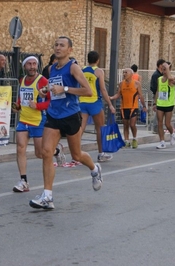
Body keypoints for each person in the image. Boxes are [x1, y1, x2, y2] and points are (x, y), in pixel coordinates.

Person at [29, 36, 102, 210]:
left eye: (62, 45)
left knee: (76, 155)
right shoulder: (51, 68)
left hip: (71, 115)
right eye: (56, 44)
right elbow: (54, 88)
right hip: (54, 115)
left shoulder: (74, 67)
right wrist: (45, 90)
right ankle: (47, 196)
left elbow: (88, 91)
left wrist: (66, 89)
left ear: (69, 50)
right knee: (47, 152)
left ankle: (94, 169)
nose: (58, 47)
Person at [12, 56, 51, 192]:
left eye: (34, 64)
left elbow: (50, 101)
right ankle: (23, 181)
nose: (32, 66)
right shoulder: (22, 80)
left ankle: (56, 150)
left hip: (38, 121)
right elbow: (21, 98)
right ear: (25, 66)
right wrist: (17, 106)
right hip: (23, 120)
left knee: (40, 153)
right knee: (20, 148)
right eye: (29, 64)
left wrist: (38, 106)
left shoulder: (42, 81)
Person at [80, 50, 116, 162]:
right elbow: (103, 89)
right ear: (98, 60)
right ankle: (101, 154)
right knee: (100, 129)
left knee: (80, 129)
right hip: (94, 102)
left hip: (82, 101)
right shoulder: (99, 71)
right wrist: (110, 104)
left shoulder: (82, 71)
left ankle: (76, 154)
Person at [110, 68, 147, 148]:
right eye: (123, 72)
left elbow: (141, 95)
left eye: (126, 72)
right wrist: (111, 98)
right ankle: (126, 141)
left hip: (133, 107)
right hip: (123, 107)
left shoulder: (136, 83)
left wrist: (144, 106)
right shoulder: (121, 84)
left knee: (132, 124)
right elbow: (118, 94)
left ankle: (134, 139)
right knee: (125, 125)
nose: (124, 74)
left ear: (131, 74)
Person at [154, 62, 175, 149]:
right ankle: (162, 142)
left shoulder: (172, 77)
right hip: (160, 103)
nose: (163, 70)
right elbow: (158, 91)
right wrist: (155, 102)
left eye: (165, 68)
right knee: (159, 123)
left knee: (167, 124)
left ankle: (172, 133)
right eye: (162, 68)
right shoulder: (159, 79)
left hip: (169, 104)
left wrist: (167, 68)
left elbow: (170, 78)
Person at [150, 59, 166, 133]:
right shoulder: (156, 75)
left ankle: (158, 127)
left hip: (162, 95)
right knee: (158, 111)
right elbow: (153, 87)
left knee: (160, 111)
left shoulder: (161, 74)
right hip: (158, 95)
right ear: (160, 65)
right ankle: (156, 128)